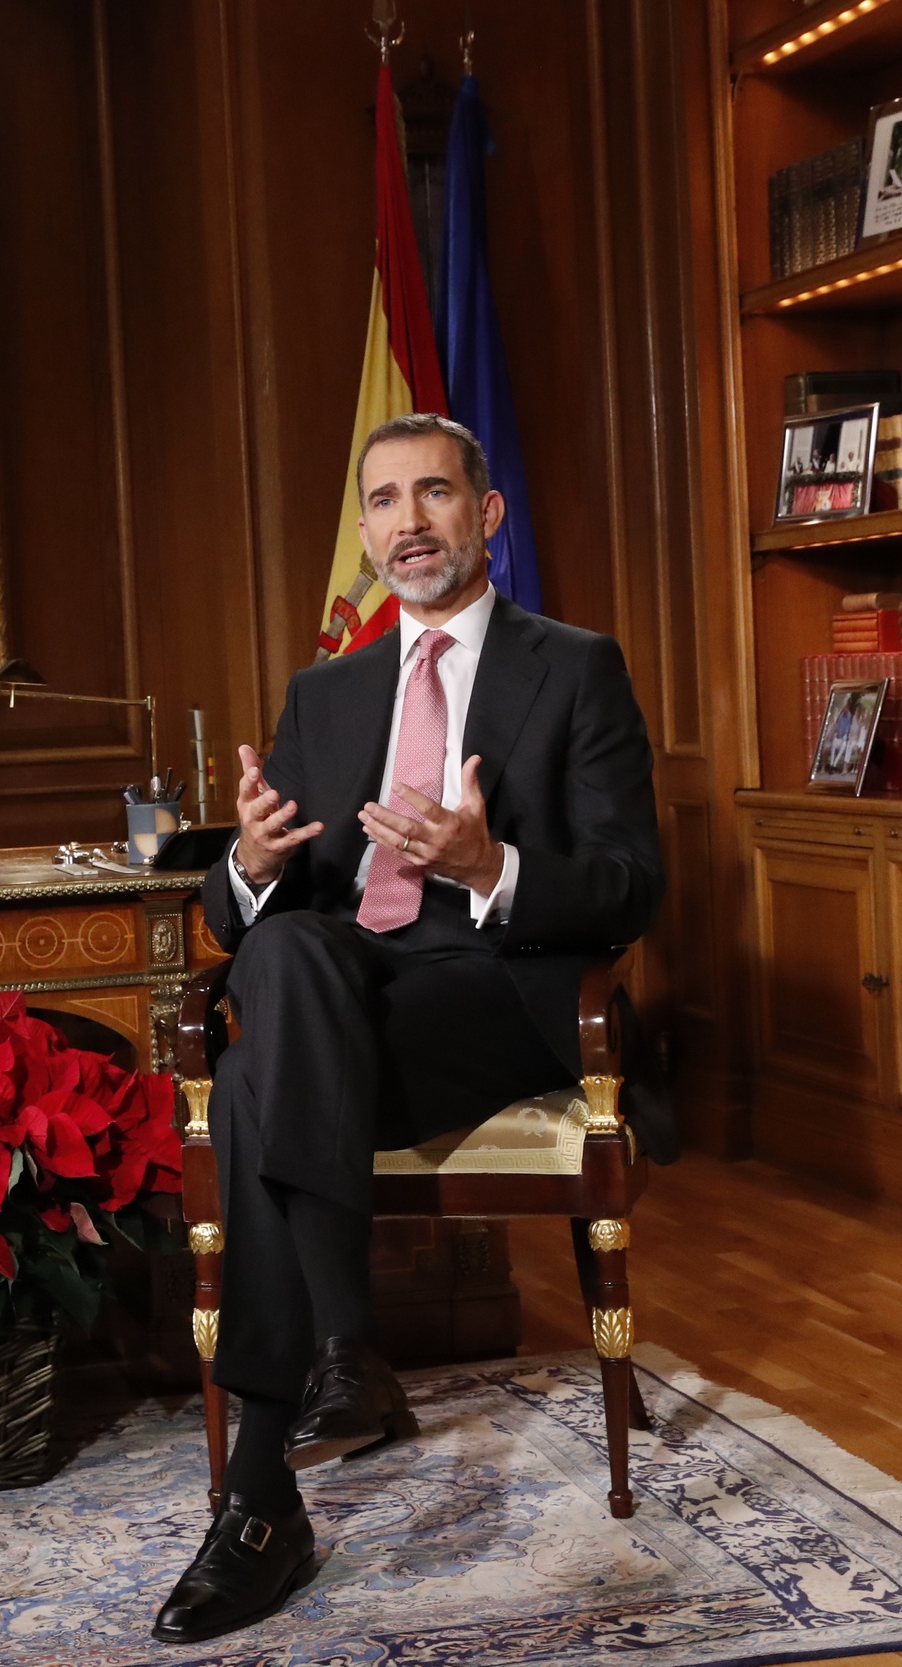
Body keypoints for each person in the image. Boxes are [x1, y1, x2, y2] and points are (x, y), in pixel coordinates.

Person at [151, 413, 666, 1645]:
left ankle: (281, 1457)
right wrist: (256, 864)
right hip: (340, 990)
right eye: (383, 501)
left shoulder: (575, 664)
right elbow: (231, 907)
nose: (406, 522)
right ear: (368, 531)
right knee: (277, 949)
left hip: (490, 987)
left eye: (433, 493)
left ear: (487, 515)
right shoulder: (322, 693)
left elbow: (631, 883)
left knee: (267, 1056)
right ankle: (296, 1425)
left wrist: (495, 861)